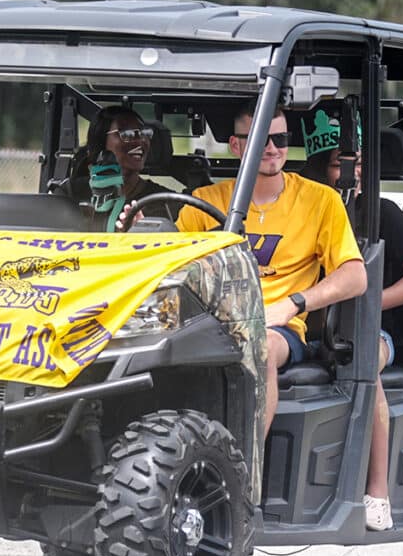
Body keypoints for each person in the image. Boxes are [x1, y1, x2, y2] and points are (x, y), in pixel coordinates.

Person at [149, 104, 367, 501]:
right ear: (235, 146)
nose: (272, 148)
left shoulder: (320, 201)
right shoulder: (204, 201)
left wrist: (295, 303)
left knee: (259, 347)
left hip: (278, 326)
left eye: (280, 139)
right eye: (259, 139)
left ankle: (239, 482)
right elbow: (168, 265)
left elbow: (355, 275)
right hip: (208, 322)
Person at [300, 109, 403, 530]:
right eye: (341, 164)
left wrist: (372, 302)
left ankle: (377, 492)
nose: (352, 172)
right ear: (320, 169)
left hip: (372, 332)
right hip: (306, 328)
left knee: (363, 359)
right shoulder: (306, 210)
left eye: (359, 163)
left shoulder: (380, 211)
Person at [64, 106, 179, 221]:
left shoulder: (166, 203)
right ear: (100, 143)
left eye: (145, 133)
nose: (141, 140)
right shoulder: (69, 193)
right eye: (127, 134)